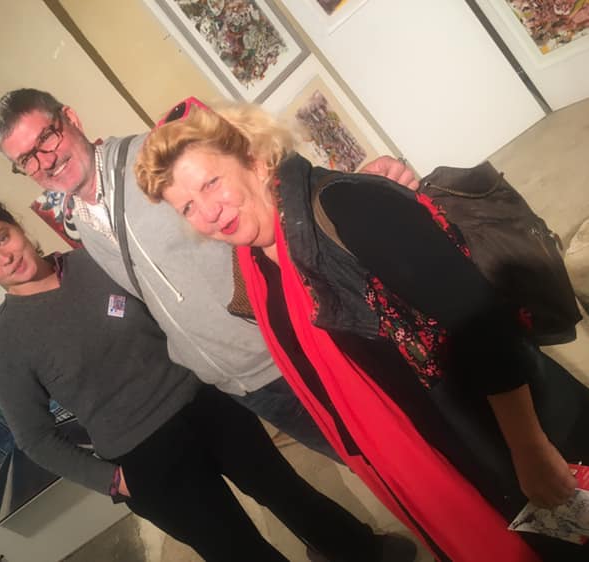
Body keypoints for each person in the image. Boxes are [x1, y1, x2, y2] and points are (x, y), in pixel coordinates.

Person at [134, 98, 589, 562]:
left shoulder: (346, 205)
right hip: (442, 456)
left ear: (253, 158)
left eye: (211, 183)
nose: (209, 213)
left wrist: (529, 449)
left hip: (503, 433)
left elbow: (483, 325)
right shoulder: (257, 265)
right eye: (188, 207)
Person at [0, 190, 417, 562]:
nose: (5, 258)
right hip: (147, 459)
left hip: (206, 404)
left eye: (1, 237)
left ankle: (360, 551)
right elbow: (34, 438)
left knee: (289, 492)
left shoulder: (95, 261)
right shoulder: (5, 348)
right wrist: (111, 480)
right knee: (238, 551)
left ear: (14, 223)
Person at [0, 88, 418, 462]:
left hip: (294, 348)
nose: (45, 160)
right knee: (363, 466)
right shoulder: (79, 222)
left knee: (404, 448)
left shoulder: (155, 157)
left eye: (46, 137)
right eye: (27, 159)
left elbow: (264, 176)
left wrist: (347, 187)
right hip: (244, 387)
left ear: (71, 119)